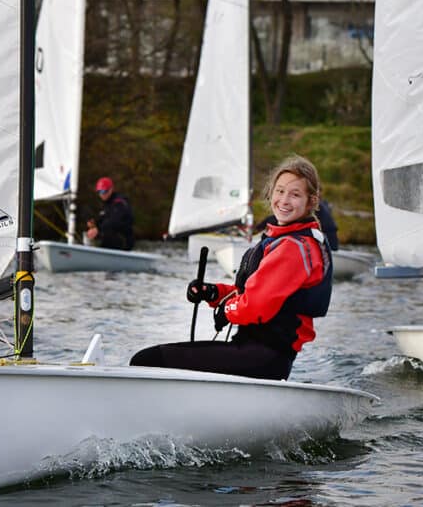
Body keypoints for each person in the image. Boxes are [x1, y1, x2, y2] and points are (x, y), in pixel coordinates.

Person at [130, 155, 333, 380]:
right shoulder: (286, 241)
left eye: (295, 194)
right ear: (271, 193)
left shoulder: (292, 248)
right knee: (153, 359)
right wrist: (214, 293)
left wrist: (226, 310)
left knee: (147, 360)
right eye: (280, 191)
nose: (284, 200)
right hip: (257, 355)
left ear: (311, 201)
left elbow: (254, 308)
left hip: (263, 358)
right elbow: (252, 294)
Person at [254, 197, 340, 250]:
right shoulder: (322, 205)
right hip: (329, 242)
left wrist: (259, 227)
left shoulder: (316, 208)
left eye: (296, 195)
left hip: (328, 241)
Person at [84, 176, 134, 251]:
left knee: (108, 232)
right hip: (110, 242)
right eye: (99, 192)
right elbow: (103, 219)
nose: (101, 195)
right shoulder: (106, 204)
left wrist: (98, 229)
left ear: (111, 190)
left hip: (123, 241)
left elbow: (114, 221)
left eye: (104, 192)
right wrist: (94, 223)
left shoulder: (119, 203)